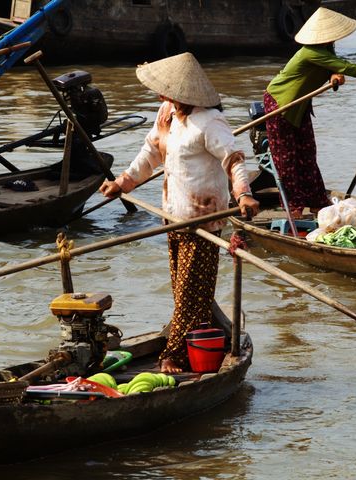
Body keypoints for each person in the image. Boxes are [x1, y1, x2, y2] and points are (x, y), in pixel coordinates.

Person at [99, 52, 259, 373]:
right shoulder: (167, 114)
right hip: (173, 217)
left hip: (203, 220)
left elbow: (233, 158)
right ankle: (200, 336)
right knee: (183, 289)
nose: (162, 96)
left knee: (189, 291)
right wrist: (123, 183)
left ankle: (174, 355)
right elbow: (150, 153)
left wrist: (243, 193)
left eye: (168, 92)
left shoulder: (209, 122)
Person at [264, 7, 356, 218]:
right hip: (280, 104)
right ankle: (294, 207)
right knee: (287, 157)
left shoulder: (326, 50)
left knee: (307, 152)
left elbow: (336, 66)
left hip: (300, 106)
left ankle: (316, 202)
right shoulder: (310, 52)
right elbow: (349, 67)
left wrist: (334, 75)